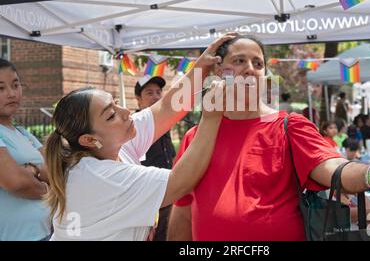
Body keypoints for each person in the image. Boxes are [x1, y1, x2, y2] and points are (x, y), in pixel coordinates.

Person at [168, 35, 370, 241]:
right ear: (219, 70)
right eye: (239, 61)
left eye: (258, 63)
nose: (250, 69)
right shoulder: (195, 138)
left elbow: (334, 168)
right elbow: (183, 210)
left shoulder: (289, 126)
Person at [46, 34, 235, 241]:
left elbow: (166, 108)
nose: (126, 112)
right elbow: (180, 182)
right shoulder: (97, 176)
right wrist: (211, 117)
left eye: (116, 102)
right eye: (111, 115)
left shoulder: (112, 145)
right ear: (89, 140)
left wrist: (201, 68)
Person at [0, 59, 51, 241]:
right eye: (1, 88)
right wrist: (51, 191)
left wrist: (31, 170)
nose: (11, 94)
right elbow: (16, 182)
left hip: (45, 233)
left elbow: (55, 169)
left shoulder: (23, 133)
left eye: (15, 85)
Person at [134, 75, 176, 241]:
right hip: (147, 197)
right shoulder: (133, 126)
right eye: (149, 93)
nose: (156, 97)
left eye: (159, 92)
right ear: (138, 99)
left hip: (167, 193)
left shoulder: (164, 124)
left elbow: (169, 156)